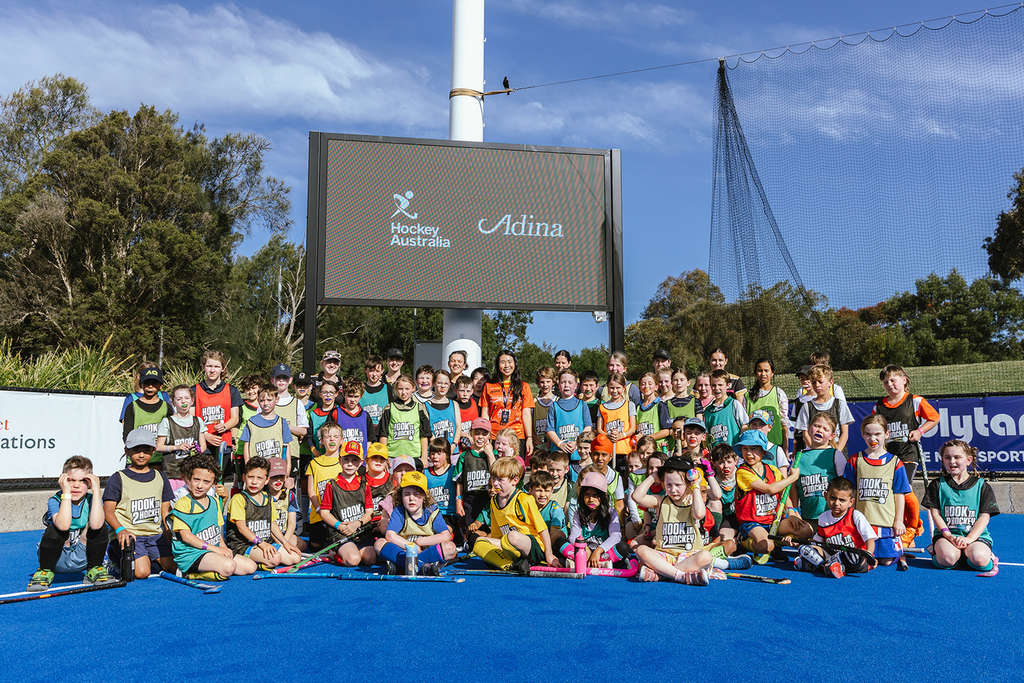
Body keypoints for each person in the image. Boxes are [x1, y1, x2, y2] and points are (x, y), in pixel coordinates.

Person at [27, 456, 115, 591]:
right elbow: (63, 526)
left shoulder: (92, 500)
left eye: (82, 481)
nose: (76, 485)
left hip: (83, 557)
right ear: (63, 480)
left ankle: (94, 569)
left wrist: (97, 490)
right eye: (71, 480)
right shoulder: (55, 500)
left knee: (99, 525)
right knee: (55, 528)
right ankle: (45, 572)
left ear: (90, 482)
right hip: (57, 557)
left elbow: (97, 525)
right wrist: (66, 493)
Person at [168, 453, 254, 580]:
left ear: (213, 483)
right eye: (196, 479)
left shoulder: (213, 501)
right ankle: (190, 574)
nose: (200, 485)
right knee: (229, 567)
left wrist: (223, 548)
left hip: (212, 549)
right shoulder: (182, 503)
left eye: (206, 481)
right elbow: (186, 537)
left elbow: (216, 531)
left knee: (250, 566)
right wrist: (215, 549)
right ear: (188, 479)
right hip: (192, 554)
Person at [631, 456, 716, 585]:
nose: (673, 489)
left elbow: (699, 514)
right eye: (669, 485)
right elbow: (637, 497)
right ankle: (679, 575)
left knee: (706, 556)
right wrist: (654, 476)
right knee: (641, 550)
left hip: (689, 556)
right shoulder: (661, 501)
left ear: (687, 484)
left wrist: (696, 486)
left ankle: (662, 574)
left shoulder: (693, 500)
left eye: (678, 485)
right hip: (665, 556)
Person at [103, 428, 174, 580]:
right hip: (131, 535)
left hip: (155, 535)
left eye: (146, 450)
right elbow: (108, 511)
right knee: (142, 573)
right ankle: (114, 560)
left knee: (172, 567)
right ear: (127, 451)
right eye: (136, 450)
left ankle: (147, 559)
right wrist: (120, 530)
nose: (141, 455)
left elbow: (165, 511)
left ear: (153, 450)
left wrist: (169, 532)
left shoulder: (160, 476)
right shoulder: (117, 478)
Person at [842, 415, 911, 566]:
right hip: (863, 523)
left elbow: (899, 494)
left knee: (886, 561)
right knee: (860, 560)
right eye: (868, 434)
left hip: (885, 523)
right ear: (862, 435)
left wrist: (898, 520)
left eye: (877, 434)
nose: (872, 438)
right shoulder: (855, 460)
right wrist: (848, 519)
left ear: (887, 434)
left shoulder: (895, 462)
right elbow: (850, 492)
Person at [923, 439, 999, 573]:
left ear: (969, 460)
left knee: (979, 559)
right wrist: (948, 536)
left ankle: (980, 556)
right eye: (947, 457)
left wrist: (969, 539)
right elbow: (935, 514)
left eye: (957, 457)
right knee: (947, 559)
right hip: (947, 536)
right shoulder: (937, 485)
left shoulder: (982, 486)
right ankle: (941, 553)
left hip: (975, 536)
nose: (952, 461)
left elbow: (984, 517)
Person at [471, 456, 558, 573]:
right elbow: (496, 534)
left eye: (500, 480)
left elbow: (543, 530)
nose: (495, 483)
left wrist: (549, 554)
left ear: (515, 480)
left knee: (512, 536)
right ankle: (512, 565)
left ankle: (521, 560)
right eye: (493, 478)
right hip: (508, 546)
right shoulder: (493, 501)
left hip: (531, 546)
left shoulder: (525, 499)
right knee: (479, 542)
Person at [733, 429, 800, 560]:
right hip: (751, 522)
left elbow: (783, 493)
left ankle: (778, 542)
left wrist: (791, 511)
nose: (749, 453)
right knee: (766, 546)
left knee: (805, 530)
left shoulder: (773, 470)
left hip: (773, 521)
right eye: (745, 449)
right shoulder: (742, 472)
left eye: (753, 449)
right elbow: (770, 489)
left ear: (763, 452)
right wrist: (793, 478)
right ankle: (743, 541)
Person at [225, 456, 301, 569]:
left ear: (266, 480)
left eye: (259, 478)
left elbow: (272, 524)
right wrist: (261, 543)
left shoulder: (267, 497)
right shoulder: (238, 498)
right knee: (274, 559)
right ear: (244, 477)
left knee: (295, 557)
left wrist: (285, 543)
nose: (254, 482)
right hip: (245, 544)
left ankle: (262, 559)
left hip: (264, 541)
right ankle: (255, 562)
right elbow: (242, 528)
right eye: (250, 477)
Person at [792, 476, 877, 578]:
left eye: (842, 500)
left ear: (851, 502)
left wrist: (869, 554)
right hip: (833, 556)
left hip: (854, 559)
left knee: (851, 553)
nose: (837, 503)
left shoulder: (856, 516)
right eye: (833, 498)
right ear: (825, 496)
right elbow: (818, 543)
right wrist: (798, 543)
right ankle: (829, 567)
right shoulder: (823, 518)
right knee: (805, 549)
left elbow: (870, 539)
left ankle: (817, 565)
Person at [379, 471, 457, 575]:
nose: (411, 498)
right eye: (407, 494)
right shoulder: (399, 511)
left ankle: (404, 567)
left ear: (424, 496)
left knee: (450, 548)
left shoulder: (432, 511)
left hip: (428, 551)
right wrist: (412, 547)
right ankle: (422, 567)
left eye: (416, 494)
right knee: (379, 543)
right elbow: (390, 535)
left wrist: (420, 542)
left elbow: (446, 535)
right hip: (405, 551)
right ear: (401, 495)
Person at [319, 443, 377, 566]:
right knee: (353, 560)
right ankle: (334, 553)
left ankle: (349, 551)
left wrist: (357, 523)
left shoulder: (364, 484)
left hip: (359, 531)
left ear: (361, 462)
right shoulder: (332, 485)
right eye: (346, 459)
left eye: (354, 460)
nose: (350, 464)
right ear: (340, 460)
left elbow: (369, 512)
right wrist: (340, 526)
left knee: (371, 558)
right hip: (340, 532)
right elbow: (324, 513)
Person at [790, 413, 847, 538]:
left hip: (832, 517)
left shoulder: (835, 454)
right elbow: (793, 487)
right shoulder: (799, 456)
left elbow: (845, 487)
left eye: (825, 429)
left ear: (832, 436)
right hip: (807, 517)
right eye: (816, 426)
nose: (819, 430)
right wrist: (794, 510)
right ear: (809, 428)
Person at [873, 364, 939, 466]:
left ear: (904, 380)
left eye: (892, 380)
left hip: (908, 454)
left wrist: (919, 431)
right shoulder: (878, 406)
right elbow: (874, 427)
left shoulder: (915, 401)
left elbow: (934, 418)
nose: (889, 384)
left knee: (904, 482)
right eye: (886, 382)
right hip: (886, 455)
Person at [563, 468, 627, 568]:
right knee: (560, 542)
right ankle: (599, 564)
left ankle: (591, 562)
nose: (591, 499)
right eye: (587, 495)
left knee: (623, 547)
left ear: (603, 497)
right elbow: (574, 536)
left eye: (595, 496)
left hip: (602, 552)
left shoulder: (611, 512)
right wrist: (585, 549)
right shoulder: (578, 513)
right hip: (584, 551)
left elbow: (615, 536)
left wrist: (598, 551)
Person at [193, 350, 242, 473]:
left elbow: (235, 418)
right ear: (204, 367)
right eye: (209, 366)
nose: (212, 370)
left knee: (219, 482)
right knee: (202, 479)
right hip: (201, 443)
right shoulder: (194, 390)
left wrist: (225, 426)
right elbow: (190, 419)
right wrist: (205, 435)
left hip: (223, 444)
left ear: (223, 369)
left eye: (216, 366)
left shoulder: (232, 391)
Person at [480, 350, 535, 458]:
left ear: (515, 364)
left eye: (510, 361)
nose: (506, 365)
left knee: (516, 472)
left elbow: (526, 414)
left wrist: (529, 437)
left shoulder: (524, 386)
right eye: (503, 362)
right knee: (495, 471)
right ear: (497, 365)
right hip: (495, 437)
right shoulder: (488, 386)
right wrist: (485, 436)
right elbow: (485, 415)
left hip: (517, 436)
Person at [156, 384, 207, 493]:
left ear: (192, 400)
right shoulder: (167, 422)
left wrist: (196, 449)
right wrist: (176, 447)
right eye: (179, 399)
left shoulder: (198, 421)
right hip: (173, 474)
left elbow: (203, 447)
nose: (183, 401)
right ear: (173, 402)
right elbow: (158, 447)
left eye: (187, 398)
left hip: (193, 474)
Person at [453, 417, 496, 544]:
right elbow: (459, 481)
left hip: (488, 498)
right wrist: (458, 501)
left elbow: (497, 473)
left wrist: (490, 455)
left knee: (489, 529)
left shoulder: (493, 455)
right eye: (477, 433)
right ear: (471, 434)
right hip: (469, 500)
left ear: (489, 436)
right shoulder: (464, 456)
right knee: (470, 530)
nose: (480, 437)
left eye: (484, 434)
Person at [121, 367, 173, 469]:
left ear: (160, 385)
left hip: (158, 460)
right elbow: (127, 434)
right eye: (147, 382)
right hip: (136, 459)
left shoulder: (166, 407)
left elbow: (171, 432)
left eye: (154, 383)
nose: (150, 386)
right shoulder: (132, 406)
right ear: (141, 384)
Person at [795, 364, 854, 454]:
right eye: (814, 382)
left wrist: (835, 454)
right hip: (815, 455)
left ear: (830, 382)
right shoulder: (807, 406)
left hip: (837, 453)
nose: (817, 385)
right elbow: (805, 434)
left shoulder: (839, 404)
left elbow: (845, 433)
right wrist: (815, 452)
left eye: (820, 381)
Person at [240, 384, 293, 481]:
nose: (265, 403)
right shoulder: (251, 422)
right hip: (257, 471)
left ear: (276, 399)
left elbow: (287, 448)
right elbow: (246, 448)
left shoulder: (282, 422)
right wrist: (248, 468)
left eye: (269, 400)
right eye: (262, 400)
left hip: (277, 470)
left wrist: (287, 469)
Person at [305, 422, 345, 550]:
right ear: (321, 441)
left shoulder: (346, 462)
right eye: (328, 437)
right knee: (316, 547)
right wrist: (318, 509)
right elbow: (311, 491)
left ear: (342, 441)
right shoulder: (314, 463)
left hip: (339, 516)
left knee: (338, 547)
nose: (332, 439)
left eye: (335, 436)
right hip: (319, 515)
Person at [378, 374, 430, 468]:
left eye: (407, 389)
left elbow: (424, 435)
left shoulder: (420, 408)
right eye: (400, 389)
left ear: (413, 388)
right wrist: (383, 457)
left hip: (414, 456)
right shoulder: (389, 408)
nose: (403, 392)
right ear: (396, 389)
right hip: (392, 456)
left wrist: (424, 457)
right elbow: (383, 434)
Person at [546, 368, 593, 463]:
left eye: (570, 382)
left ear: (576, 385)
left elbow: (588, 427)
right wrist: (560, 444)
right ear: (558, 385)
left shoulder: (582, 405)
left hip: (578, 455)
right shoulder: (553, 406)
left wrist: (577, 443)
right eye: (563, 382)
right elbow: (549, 430)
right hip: (559, 455)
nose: (566, 385)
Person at [745, 358, 789, 455]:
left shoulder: (779, 393)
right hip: (753, 448)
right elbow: (744, 424)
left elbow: (784, 424)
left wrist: (785, 449)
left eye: (766, 370)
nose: (763, 374)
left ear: (772, 372)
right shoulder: (748, 396)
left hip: (775, 446)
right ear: (756, 373)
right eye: (760, 370)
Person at [597, 372, 636, 468]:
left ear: (623, 388)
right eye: (612, 388)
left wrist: (621, 435)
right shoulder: (602, 407)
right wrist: (608, 435)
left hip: (625, 450)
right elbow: (599, 429)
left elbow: (633, 428)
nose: (615, 390)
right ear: (607, 388)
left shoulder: (629, 405)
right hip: (607, 451)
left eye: (618, 388)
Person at [232, 374, 265, 485]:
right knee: (240, 480)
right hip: (242, 449)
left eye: (253, 388)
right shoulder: (242, 407)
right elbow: (236, 425)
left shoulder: (265, 406)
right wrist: (234, 441)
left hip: (259, 448)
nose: (251, 391)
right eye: (247, 389)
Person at [271, 364, 309, 459]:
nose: (281, 380)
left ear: (290, 380)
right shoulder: (266, 402)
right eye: (278, 377)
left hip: (292, 453)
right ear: (272, 380)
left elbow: (303, 431)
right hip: (271, 452)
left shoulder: (297, 403)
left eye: (285, 378)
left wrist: (286, 426)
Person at [424, 437, 459, 541]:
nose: (434, 457)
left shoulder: (453, 471)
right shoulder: (425, 472)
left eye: (439, 454)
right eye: (432, 453)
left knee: (443, 532)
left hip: (448, 515)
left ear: (447, 455)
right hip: (430, 514)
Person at [708, 443, 740, 556]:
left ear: (736, 461)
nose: (726, 466)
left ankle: (740, 540)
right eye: (721, 462)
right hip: (720, 517)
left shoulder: (742, 474)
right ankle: (712, 536)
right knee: (714, 502)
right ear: (714, 463)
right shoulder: (711, 478)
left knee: (725, 538)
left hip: (737, 518)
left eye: (729, 462)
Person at [703, 369, 749, 446]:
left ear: (728, 385)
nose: (717, 388)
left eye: (720, 385)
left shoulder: (734, 404)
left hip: (734, 454)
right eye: (713, 385)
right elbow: (707, 435)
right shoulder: (708, 411)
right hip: (716, 455)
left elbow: (745, 426)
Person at [267, 457, 304, 552]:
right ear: (267, 478)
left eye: (281, 476)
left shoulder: (290, 494)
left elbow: (292, 523)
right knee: (290, 555)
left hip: (284, 534)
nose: (278, 480)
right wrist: (282, 543)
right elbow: (269, 525)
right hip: (268, 535)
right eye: (274, 477)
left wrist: (285, 541)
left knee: (302, 545)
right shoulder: (263, 496)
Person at [424, 370, 463, 455]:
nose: (442, 386)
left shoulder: (454, 404)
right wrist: (439, 449)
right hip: (434, 453)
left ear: (449, 385)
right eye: (439, 383)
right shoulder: (425, 405)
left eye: (446, 384)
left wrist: (453, 445)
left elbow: (458, 427)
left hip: (452, 452)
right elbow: (427, 430)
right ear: (434, 384)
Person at [335, 377, 375, 458]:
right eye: (350, 396)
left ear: (361, 396)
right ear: (343, 394)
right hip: (341, 461)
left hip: (361, 461)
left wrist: (366, 459)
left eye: (356, 396)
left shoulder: (365, 415)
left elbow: (369, 440)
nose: (352, 400)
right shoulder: (335, 413)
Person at [588, 433, 625, 519]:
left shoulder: (615, 477)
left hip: (610, 518)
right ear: (590, 455)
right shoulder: (584, 474)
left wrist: (620, 527)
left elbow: (619, 505)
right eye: (596, 454)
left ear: (610, 457)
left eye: (604, 455)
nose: (600, 458)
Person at [529, 469, 567, 549]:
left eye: (547, 491)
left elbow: (554, 532)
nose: (543, 494)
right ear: (531, 490)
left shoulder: (554, 508)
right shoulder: (528, 505)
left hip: (555, 542)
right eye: (539, 490)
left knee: (557, 533)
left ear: (552, 491)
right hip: (537, 541)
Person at [635, 372, 670, 446]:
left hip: (657, 449)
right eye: (643, 384)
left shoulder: (660, 405)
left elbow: (666, 431)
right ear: (640, 387)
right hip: (642, 449)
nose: (646, 386)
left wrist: (646, 438)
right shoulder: (637, 407)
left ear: (656, 387)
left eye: (650, 384)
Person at [307, 379, 339, 456]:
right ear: (320, 394)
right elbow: (309, 436)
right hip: (318, 456)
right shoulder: (313, 414)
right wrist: (313, 449)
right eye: (324, 392)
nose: (328, 395)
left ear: (336, 394)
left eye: (331, 392)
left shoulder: (339, 412)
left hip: (336, 457)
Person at [453, 375, 480, 455]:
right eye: (461, 391)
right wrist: (463, 435)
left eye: (468, 391)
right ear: (456, 390)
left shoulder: (473, 403)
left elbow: (475, 424)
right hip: (456, 447)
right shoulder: (452, 405)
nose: (465, 394)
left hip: (471, 445)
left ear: (472, 391)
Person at [360, 355, 389, 427]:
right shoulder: (360, 389)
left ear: (382, 371)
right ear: (365, 370)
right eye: (371, 371)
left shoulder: (388, 389)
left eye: (377, 371)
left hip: (383, 431)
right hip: (365, 429)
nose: (374, 374)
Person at [533, 367, 557, 454]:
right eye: (542, 382)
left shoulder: (558, 401)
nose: (545, 385)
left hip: (554, 443)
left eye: (548, 381)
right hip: (537, 443)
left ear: (553, 382)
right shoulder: (533, 401)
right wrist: (534, 437)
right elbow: (529, 422)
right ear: (538, 383)